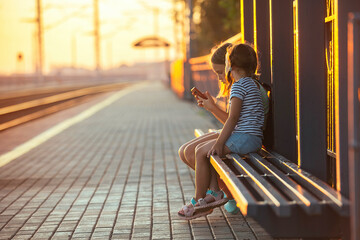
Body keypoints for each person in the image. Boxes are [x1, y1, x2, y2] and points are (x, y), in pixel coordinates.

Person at [178, 42, 265, 220]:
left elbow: (233, 119)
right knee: (202, 151)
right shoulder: (253, 85)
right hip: (252, 137)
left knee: (202, 152)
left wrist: (218, 143)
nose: (221, 74)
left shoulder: (239, 86)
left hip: (245, 137)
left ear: (230, 65)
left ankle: (199, 200)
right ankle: (213, 192)